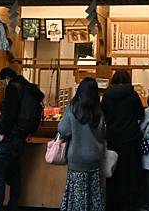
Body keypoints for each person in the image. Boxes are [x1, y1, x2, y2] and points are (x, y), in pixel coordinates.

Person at [0, 67, 44, 211]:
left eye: (2, 83)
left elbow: (11, 113)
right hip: (21, 137)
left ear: (7, 78)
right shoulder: (28, 87)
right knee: (15, 175)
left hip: (9, 138)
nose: (3, 86)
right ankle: (13, 205)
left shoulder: (13, 88)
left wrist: (1, 132)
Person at [58, 77, 105, 211]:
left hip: (77, 160)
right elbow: (102, 134)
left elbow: (62, 130)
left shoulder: (72, 109)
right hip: (95, 159)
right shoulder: (99, 112)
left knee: (77, 199)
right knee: (94, 198)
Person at [101, 70, 145, 211]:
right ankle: (131, 203)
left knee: (113, 171)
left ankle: (114, 203)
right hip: (131, 139)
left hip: (113, 138)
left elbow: (103, 114)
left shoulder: (107, 95)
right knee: (131, 172)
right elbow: (141, 114)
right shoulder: (132, 95)